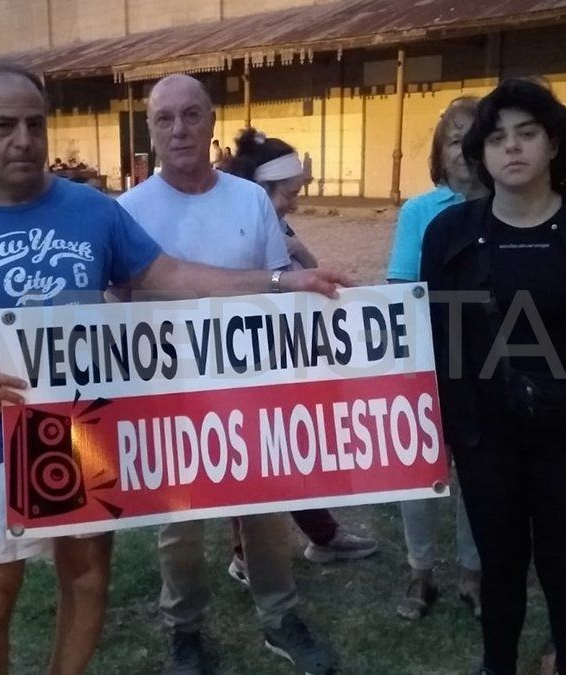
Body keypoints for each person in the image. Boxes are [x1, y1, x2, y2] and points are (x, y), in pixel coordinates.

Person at [0, 65, 345, 675]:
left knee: (85, 580)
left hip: (85, 429)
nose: (24, 138)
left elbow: (171, 276)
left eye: (35, 123)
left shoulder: (93, 211)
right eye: (4, 125)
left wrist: (283, 278)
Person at [418, 78, 566, 675]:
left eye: (526, 134)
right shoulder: (449, 234)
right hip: (486, 436)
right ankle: (499, 665)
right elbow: (437, 340)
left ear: (553, 144)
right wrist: (442, 429)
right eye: (496, 138)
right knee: (500, 567)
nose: (511, 148)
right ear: (481, 155)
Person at [117, 75, 334, 675]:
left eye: (191, 115)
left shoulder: (249, 200)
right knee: (178, 521)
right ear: (151, 129)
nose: (180, 129)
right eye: (165, 119)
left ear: (213, 122)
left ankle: (280, 614)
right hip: (169, 391)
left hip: (249, 386)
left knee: (265, 505)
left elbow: (279, 290)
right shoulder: (129, 212)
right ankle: (183, 628)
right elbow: (117, 305)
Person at [219, 126, 377, 581]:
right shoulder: (238, 229)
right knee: (249, 454)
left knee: (288, 447)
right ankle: (246, 552)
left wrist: (297, 247)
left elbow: (310, 272)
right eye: (290, 193)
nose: (295, 202)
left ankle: (322, 535)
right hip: (244, 360)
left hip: (283, 355)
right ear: (264, 188)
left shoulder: (276, 226)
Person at [386, 97, 486, 623]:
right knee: (420, 471)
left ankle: (474, 571)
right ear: (440, 153)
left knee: (478, 471)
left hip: (491, 369)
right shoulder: (420, 212)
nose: (465, 151)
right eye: (454, 140)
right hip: (426, 365)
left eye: (475, 138)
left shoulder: (513, 206)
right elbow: (402, 290)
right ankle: (420, 571)